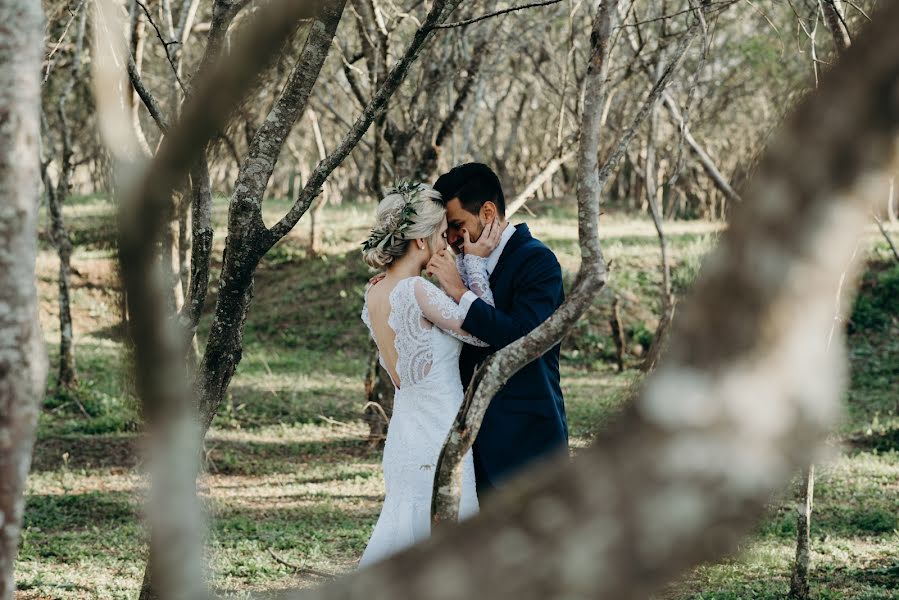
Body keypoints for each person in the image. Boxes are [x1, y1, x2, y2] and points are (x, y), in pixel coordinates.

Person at [358, 181, 502, 566]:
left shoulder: (374, 292)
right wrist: (472, 264)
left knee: (405, 532)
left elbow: (400, 376)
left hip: (406, 435)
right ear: (420, 241)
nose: (447, 243)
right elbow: (484, 331)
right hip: (439, 435)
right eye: (441, 234)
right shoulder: (418, 292)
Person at [431, 163, 569, 497]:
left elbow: (522, 339)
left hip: (525, 442)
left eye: (456, 225)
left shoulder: (537, 261)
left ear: (488, 212)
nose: (450, 238)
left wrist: (459, 292)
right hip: (468, 440)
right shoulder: (464, 262)